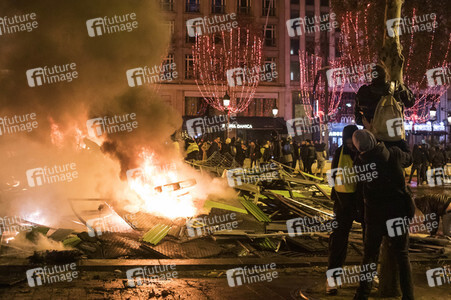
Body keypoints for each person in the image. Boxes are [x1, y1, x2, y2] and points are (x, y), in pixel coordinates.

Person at [352, 130, 414, 300]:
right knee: (402, 255)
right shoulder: (393, 153)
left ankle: (362, 294)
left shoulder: (359, 163)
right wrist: (400, 141)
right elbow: (409, 159)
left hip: (374, 216)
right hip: (397, 212)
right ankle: (408, 296)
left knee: (369, 257)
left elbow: (359, 190)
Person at [326, 125, 361, 295]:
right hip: (343, 203)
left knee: (370, 244)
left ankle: (367, 278)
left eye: (352, 143)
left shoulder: (364, 151)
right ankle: (332, 279)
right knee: (339, 242)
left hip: (361, 203)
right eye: (347, 144)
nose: (350, 147)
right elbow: (332, 176)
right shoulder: (340, 153)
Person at [354, 64, 414, 130]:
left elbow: (357, 117)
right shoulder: (397, 88)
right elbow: (410, 102)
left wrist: (367, 123)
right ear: (386, 74)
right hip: (393, 133)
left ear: (372, 76)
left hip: (372, 133)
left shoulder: (364, 92)